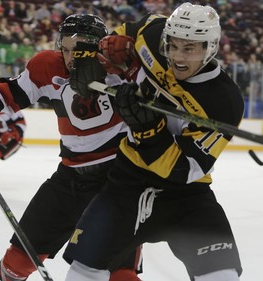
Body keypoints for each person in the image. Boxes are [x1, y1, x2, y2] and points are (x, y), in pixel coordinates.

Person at [0, 14, 142, 281]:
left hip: (117, 184)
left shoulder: (122, 71)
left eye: (81, 49)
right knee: (15, 263)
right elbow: (7, 91)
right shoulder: (49, 66)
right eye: (67, 48)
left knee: (118, 273)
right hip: (67, 182)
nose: (72, 57)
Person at [62, 3, 244, 281]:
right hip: (126, 185)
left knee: (223, 276)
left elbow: (182, 170)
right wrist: (92, 57)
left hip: (186, 196)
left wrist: (148, 129)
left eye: (190, 49)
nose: (178, 58)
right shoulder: (154, 35)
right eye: (173, 46)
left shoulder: (224, 103)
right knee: (82, 273)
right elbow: (128, 31)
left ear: (210, 47)